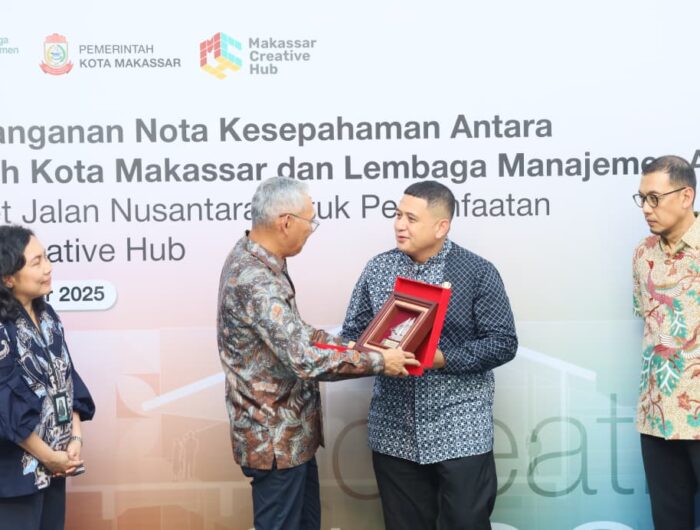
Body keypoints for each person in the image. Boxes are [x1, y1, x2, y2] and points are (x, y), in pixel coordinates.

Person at [216, 177, 419, 530]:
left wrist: (355, 346)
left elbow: (296, 333)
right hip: (275, 440)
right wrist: (378, 360)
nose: (312, 230)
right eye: (311, 221)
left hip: (289, 438)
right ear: (286, 222)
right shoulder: (255, 279)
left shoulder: (259, 261)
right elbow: (304, 359)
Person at [341, 181, 518, 530]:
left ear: (441, 226)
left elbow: (503, 342)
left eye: (411, 218)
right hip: (395, 430)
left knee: (466, 523)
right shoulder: (378, 269)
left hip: (460, 428)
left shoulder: (477, 271)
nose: (399, 225)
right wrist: (370, 353)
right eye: (397, 215)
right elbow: (352, 334)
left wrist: (442, 359)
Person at [0, 225, 95, 530]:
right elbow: (5, 408)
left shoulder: (48, 316)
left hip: (55, 468)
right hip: (15, 477)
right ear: (8, 277)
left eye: (46, 257)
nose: (48, 267)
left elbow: (67, 379)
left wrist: (74, 438)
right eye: (36, 262)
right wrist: (49, 456)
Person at [632, 155, 700, 530]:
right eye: (642, 198)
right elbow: (648, 318)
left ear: (686, 196)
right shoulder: (643, 254)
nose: (646, 208)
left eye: (655, 198)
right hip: (657, 418)